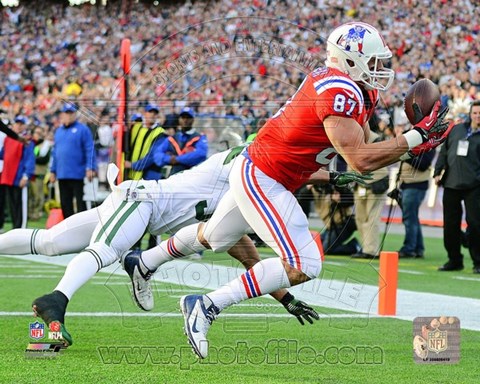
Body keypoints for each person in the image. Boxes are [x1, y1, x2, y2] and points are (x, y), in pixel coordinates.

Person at [136, 22, 452, 359]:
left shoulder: (356, 89)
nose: (381, 70)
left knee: (216, 237)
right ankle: (206, 304)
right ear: (348, 60)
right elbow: (359, 158)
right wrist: (416, 138)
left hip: (264, 170)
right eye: (373, 62)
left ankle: (144, 261)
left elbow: (359, 147)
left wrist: (409, 143)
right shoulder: (339, 90)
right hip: (265, 175)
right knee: (304, 262)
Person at [23, 147, 368, 345]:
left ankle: (144, 263)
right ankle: (57, 301)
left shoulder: (247, 196)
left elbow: (243, 251)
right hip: (144, 201)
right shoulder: (248, 165)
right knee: (105, 251)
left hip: (145, 210)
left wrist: (286, 299)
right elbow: (277, 165)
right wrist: (330, 175)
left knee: (51, 241)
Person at [433, 100, 480, 273]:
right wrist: (437, 172)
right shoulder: (457, 129)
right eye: (475, 113)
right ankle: (454, 260)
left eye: (479, 113)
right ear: (470, 113)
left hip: (474, 185)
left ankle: (478, 262)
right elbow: (444, 152)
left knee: (475, 224)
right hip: (451, 183)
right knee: (450, 225)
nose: (477, 116)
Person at [394, 124, 435, 259]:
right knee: (412, 218)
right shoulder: (409, 137)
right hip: (406, 183)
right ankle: (418, 248)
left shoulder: (430, 141)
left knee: (409, 218)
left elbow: (423, 165)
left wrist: (406, 154)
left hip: (417, 184)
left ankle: (409, 247)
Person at [49, 103, 96, 218]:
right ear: (62, 115)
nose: (69, 116)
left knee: (80, 203)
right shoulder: (59, 131)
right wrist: (52, 170)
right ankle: (68, 230)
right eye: (67, 113)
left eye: (71, 113)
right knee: (65, 204)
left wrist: (90, 167)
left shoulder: (82, 129)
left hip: (77, 174)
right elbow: (55, 152)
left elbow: (90, 149)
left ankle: (82, 229)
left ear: (75, 114)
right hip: (62, 173)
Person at [351, 131, 390, 259]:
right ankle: (366, 247)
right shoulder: (350, 137)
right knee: (360, 218)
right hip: (359, 183)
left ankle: (371, 250)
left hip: (376, 183)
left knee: (372, 218)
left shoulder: (375, 138)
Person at [0, 116, 35, 229]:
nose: (19, 126)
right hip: (8, 178)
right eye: (17, 123)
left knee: (21, 206)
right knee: (13, 206)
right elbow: (3, 155)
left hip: (19, 177)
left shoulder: (27, 140)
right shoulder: (8, 139)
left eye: (21, 124)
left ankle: (22, 230)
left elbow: (30, 159)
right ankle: (15, 230)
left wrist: (26, 176)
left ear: (24, 126)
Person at [152, 107, 208, 177]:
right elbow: (157, 155)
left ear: (193, 119)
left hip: (193, 175)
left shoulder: (199, 138)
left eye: (188, 118)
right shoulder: (172, 138)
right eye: (183, 117)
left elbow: (201, 154)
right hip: (174, 175)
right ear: (179, 119)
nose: (185, 120)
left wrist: (177, 159)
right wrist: (169, 159)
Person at [312, 183, 361, 256]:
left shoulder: (336, 186)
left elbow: (352, 199)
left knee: (326, 249)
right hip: (330, 227)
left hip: (343, 224)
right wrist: (307, 188)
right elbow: (300, 197)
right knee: (316, 245)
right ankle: (350, 245)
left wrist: (339, 200)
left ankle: (353, 246)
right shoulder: (313, 190)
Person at [124, 104, 166, 180]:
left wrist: (133, 165)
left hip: (148, 176)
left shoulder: (160, 133)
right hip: (130, 173)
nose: (152, 115)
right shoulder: (136, 127)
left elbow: (152, 156)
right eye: (150, 112)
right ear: (144, 113)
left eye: (155, 113)